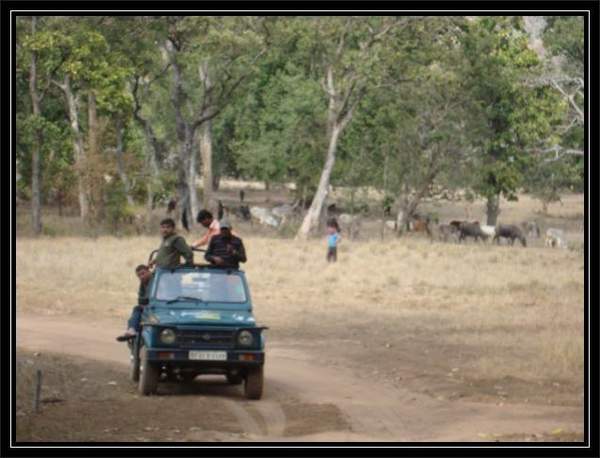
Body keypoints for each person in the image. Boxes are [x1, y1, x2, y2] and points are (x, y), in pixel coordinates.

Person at [116, 264, 153, 341]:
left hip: (159, 306)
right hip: (149, 306)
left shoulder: (156, 280)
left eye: (143, 273)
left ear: (149, 272)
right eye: (139, 275)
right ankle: (132, 330)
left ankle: (132, 329)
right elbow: (141, 300)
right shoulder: (143, 283)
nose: (141, 277)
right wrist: (144, 304)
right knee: (137, 309)